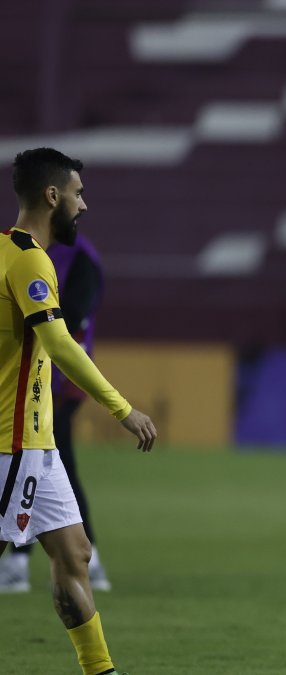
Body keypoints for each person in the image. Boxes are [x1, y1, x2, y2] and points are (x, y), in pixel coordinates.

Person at [0, 147, 158, 675]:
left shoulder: (6, 252)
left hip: (38, 447)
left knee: (75, 555)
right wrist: (122, 409)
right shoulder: (29, 260)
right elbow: (61, 343)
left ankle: (100, 669)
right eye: (77, 193)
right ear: (52, 196)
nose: (83, 205)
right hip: (11, 445)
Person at [0, 232, 113, 594]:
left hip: (61, 379)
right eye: (76, 201)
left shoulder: (80, 258)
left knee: (43, 457)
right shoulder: (26, 253)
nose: (81, 207)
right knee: (53, 462)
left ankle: (22, 561)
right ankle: (87, 558)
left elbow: (73, 319)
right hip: (30, 375)